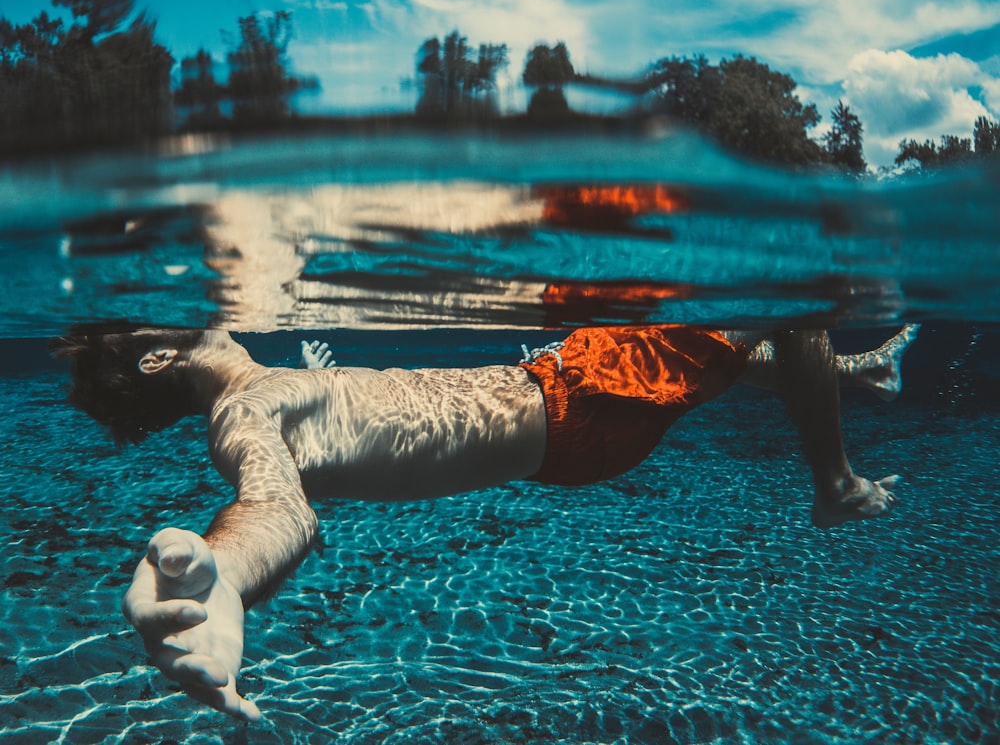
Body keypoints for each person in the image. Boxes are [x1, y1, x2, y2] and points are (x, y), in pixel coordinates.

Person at [53, 322, 917, 721]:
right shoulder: (244, 412)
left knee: (734, 344)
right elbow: (275, 503)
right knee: (795, 305)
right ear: (157, 353)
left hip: (566, 418)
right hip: (572, 401)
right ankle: (835, 482)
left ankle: (852, 372)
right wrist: (225, 576)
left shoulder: (261, 390)